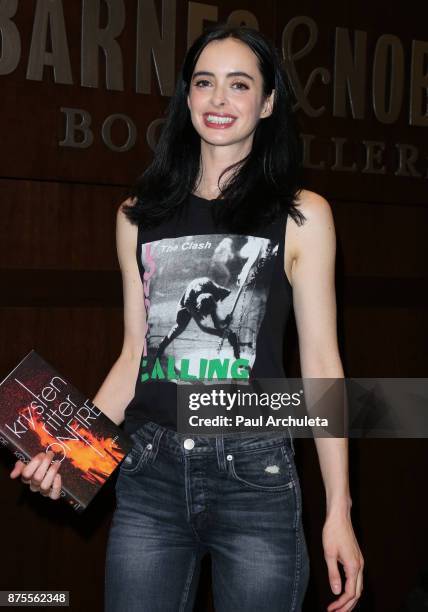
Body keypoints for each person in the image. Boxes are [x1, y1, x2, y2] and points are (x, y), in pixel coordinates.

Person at [10, 23, 364, 612]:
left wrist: (338, 512)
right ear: (187, 97)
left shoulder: (303, 216)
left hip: (257, 475)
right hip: (150, 473)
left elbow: (322, 369)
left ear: (269, 102)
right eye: (204, 83)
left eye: (239, 84)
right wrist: (69, 457)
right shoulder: (136, 215)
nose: (219, 100)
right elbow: (134, 359)